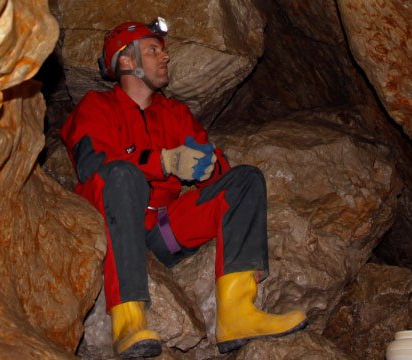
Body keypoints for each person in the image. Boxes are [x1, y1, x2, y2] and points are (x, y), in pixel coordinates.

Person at [60, 18, 307, 358]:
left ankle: (237, 313)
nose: (165, 57)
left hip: (161, 233)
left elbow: (218, 165)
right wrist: (162, 162)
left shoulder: (174, 113)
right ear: (127, 61)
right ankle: (128, 319)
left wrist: (207, 166)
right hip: (110, 230)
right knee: (120, 176)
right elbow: (93, 167)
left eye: (163, 50)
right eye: (153, 50)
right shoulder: (95, 108)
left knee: (244, 180)